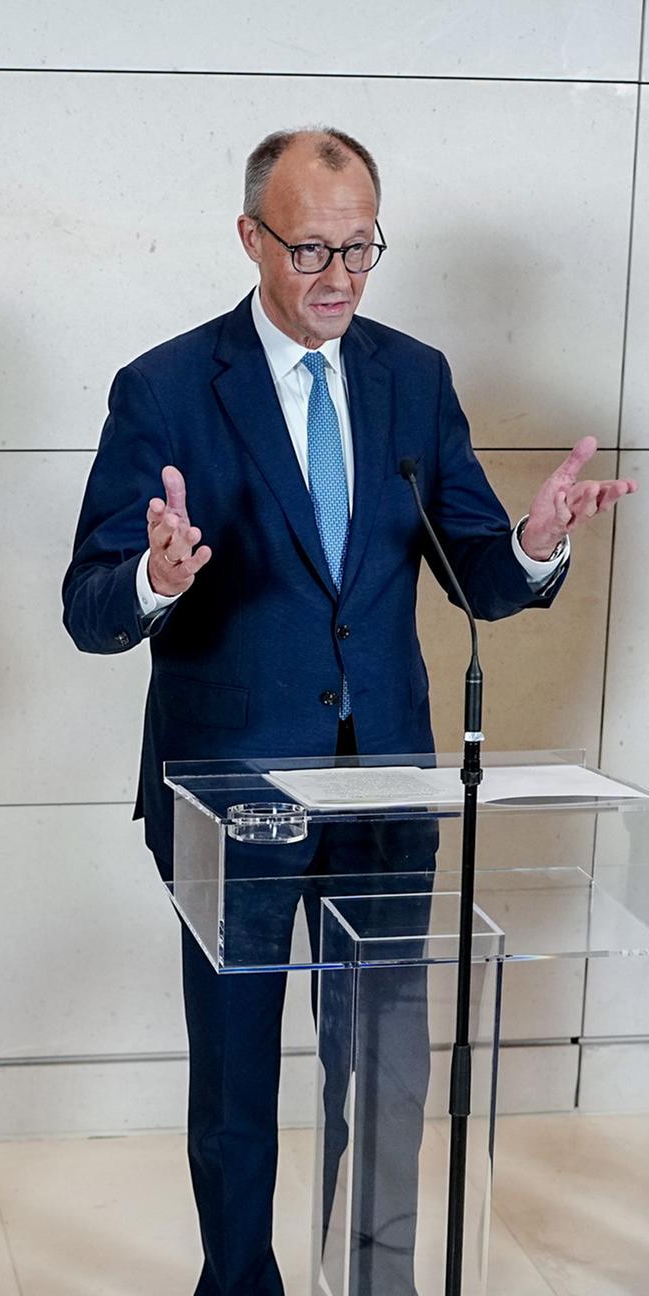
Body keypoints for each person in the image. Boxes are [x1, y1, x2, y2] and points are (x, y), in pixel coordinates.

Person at [62, 128, 635, 1296]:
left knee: (384, 1063)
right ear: (251, 239)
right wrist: (158, 579)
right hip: (234, 794)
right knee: (236, 1075)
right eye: (312, 248)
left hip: (388, 786)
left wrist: (531, 543)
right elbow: (89, 604)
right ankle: (241, 1282)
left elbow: (470, 559)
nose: (339, 277)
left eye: (362, 248)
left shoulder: (409, 377)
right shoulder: (167, 387)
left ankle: (368, 1276)